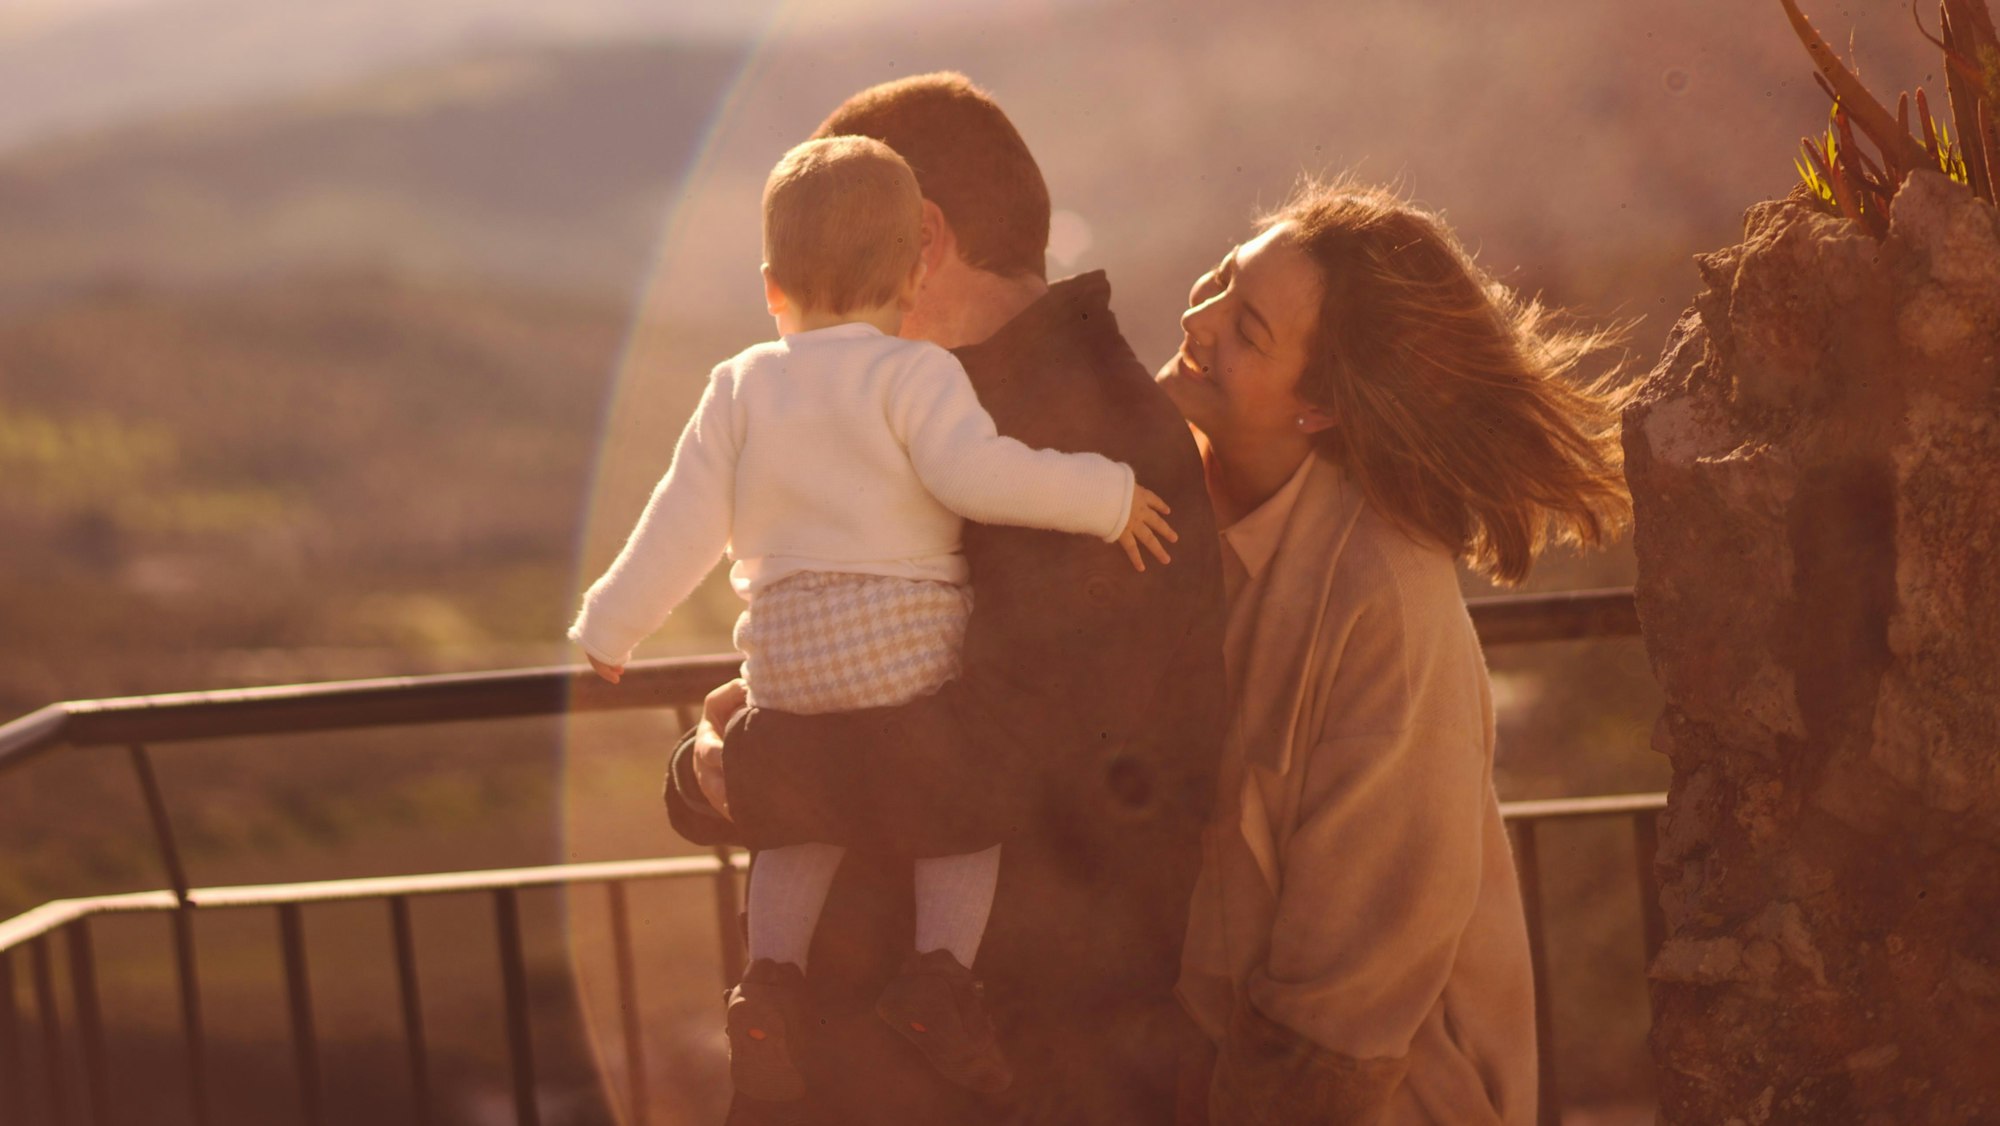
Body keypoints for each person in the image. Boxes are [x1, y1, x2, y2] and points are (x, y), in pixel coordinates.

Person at [663, 73, 1229, 1124]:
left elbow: (987, 766)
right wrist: (713, 771)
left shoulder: (1083, 440)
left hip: (1022, 1074)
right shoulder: (943, 407)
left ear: (920, 240)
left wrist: (737, 770)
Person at [1160, 178, 1633, 1125]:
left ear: (1321, 412)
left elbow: (1338, 1014)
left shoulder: (1384, 602)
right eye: (1220, 279)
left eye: (1248, 329)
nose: (1198, 318)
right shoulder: (1154, 504)